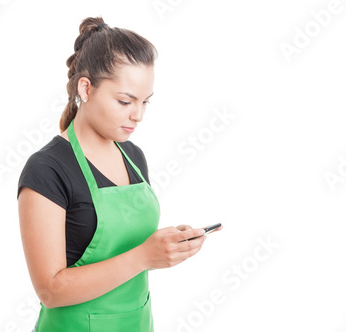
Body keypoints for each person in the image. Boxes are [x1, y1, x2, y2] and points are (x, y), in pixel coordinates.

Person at [17, 16, 222, 332]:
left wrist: (168, 244)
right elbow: (50, 290)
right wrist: (143, 256)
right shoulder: (47, 169)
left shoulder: (134, 157)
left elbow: (135, 248)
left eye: (145, 102)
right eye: (125, 101)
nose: (138, 115)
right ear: (86, 88)